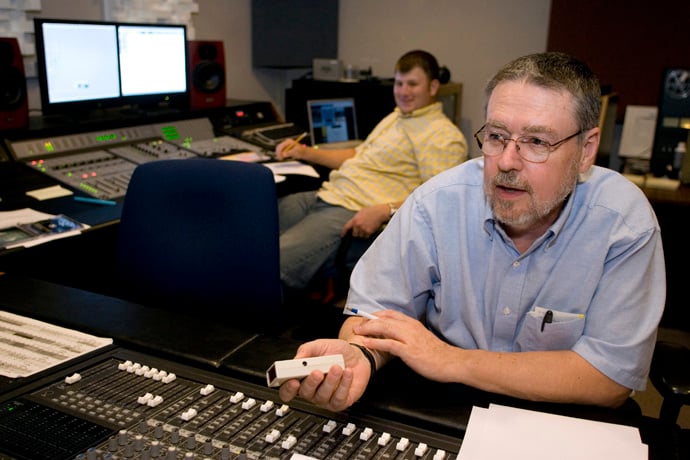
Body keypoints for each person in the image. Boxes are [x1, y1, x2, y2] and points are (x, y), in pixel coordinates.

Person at [278, 51, 666, 412]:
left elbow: (609, 378)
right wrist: (360, 354)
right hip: (446, 404)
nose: (507, 162)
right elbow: (378, 311)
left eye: (536, 141)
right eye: (496, 136)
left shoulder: (623, 224)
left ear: (585, 149)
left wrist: (452, 360)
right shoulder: (436, 202)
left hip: (560, 417)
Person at [275, 50, 467, 290]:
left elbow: (439, 199)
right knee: (253, 230)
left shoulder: (443, 135)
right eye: (399, 83)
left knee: (272, 263)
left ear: (433, 86)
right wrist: (304, 152)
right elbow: (357, 155)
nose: (403, 92)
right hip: (327, 194)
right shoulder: (396, 117)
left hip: (351, 210)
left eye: (413, 84)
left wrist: (386, 210)